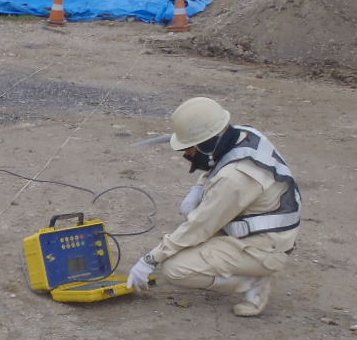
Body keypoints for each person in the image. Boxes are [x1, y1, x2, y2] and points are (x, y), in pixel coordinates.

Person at [125, 97, 302, 317]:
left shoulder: (236, 178)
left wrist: (150, 260)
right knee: (187, 238)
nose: (187, 154)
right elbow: (220, 162)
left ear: (207, 144)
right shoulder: (243, 134)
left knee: (175, 269)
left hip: (266, 246)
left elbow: (199, 226)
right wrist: (199, 187)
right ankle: (243, 266)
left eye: (189, 148)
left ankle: (253, 281)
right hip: (263, 228)